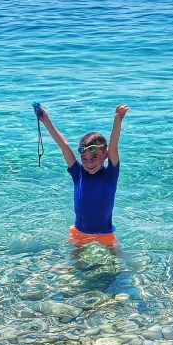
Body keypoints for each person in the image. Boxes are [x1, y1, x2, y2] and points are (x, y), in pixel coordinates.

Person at [34, 104, 128, 246]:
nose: (89, 163)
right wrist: (45, 119)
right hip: (79, 231)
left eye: (94, 157)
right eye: (84, 159)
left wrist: (118, 121)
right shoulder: (78, 174)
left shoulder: (110, 175)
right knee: (74, 263)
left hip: (105, 232)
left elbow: (113, 147)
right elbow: (64, 145)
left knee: (116, 263)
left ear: (105, 155)